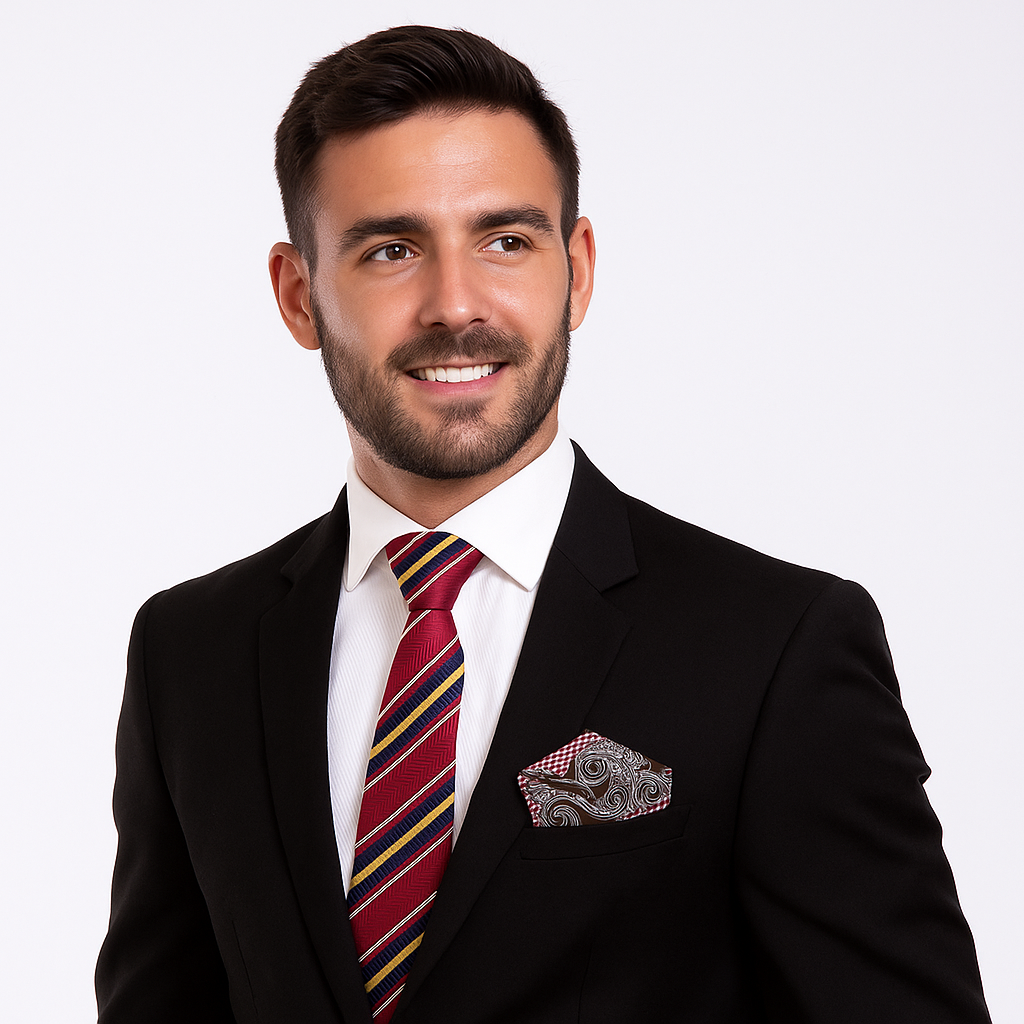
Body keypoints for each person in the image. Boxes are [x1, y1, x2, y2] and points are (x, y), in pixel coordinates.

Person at [95, 25, 991, 1024]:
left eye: (505, 241)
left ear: (579, 269)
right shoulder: (191, 652)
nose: (454, 304)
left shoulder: (773, 647)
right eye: (391, 249)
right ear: (299, 296)